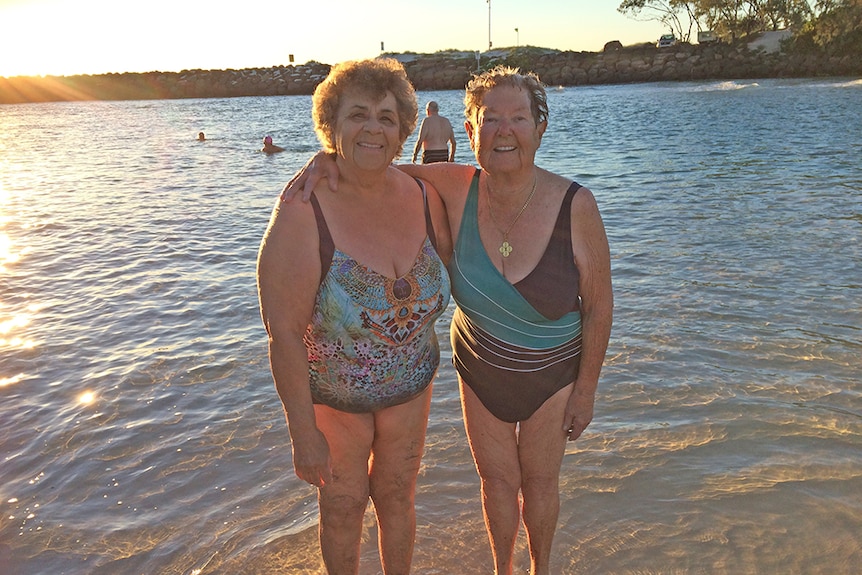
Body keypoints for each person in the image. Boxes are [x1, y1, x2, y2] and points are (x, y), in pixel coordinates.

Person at [284, 65, 613, 575]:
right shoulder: (455, 188)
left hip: (554, 371)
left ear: (539, 129)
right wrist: (323, 159)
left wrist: (587, 388)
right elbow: (374, 166)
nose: (505, 131)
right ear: (471, 133)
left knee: (540, 482)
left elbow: (599, 303)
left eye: (519, 119)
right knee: (496, 482)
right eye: (491, 120)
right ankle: (504, 569)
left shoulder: (575, 203)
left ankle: (540, 570)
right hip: (480, 366)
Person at [257, 58, 452, 575]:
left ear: (405, 129)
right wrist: (302, 430)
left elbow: (503, 182)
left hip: (412, 388)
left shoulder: (424, 192)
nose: (373, 127)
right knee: (343, 509)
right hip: (336, 400)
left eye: (387, 118)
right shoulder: (303, 210)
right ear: (332, 126)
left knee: (398, 501)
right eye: (358, 115)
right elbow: (282, 336)